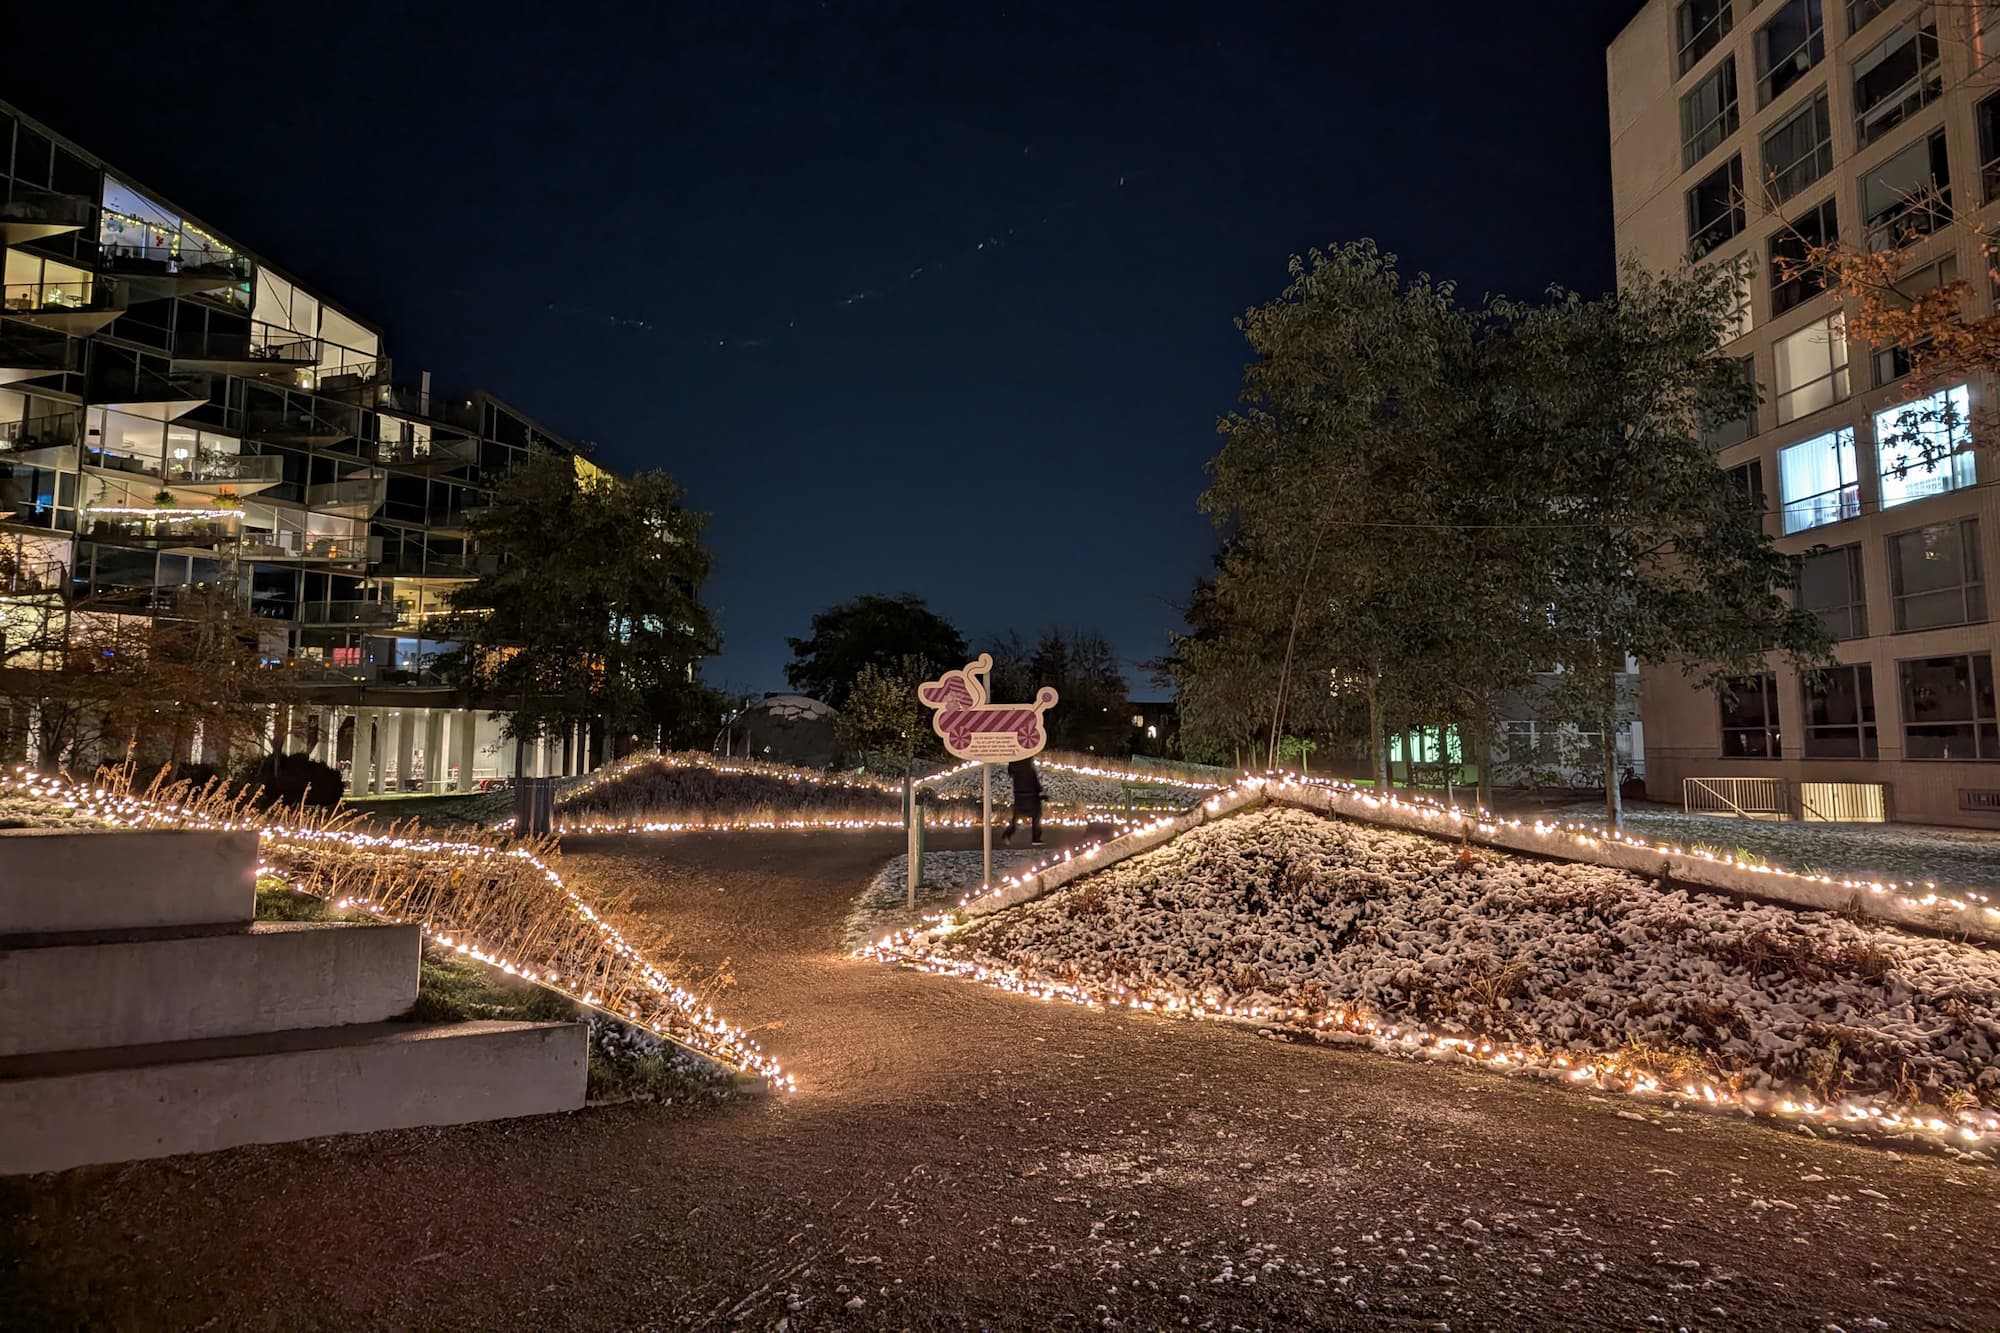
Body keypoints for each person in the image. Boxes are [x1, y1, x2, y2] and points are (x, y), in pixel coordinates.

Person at [1001, 755, 1044, 847]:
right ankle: (1036, 838)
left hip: (1019, 795)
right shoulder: (1029, 769)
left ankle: (1007, 835)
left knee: (1016, 818)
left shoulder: (1015, 765)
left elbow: (1010, 772)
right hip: (1031, 795)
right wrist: (1040, 792)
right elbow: (1034, 781)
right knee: (1036, 817)